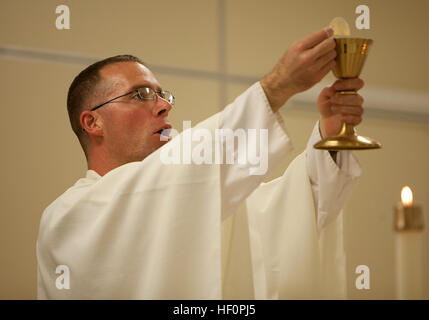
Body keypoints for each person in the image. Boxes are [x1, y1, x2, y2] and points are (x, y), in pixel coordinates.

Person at [37, 27, 363, 299]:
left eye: (163, 95)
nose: (164, 105)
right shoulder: (69, 217)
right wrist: (279, 85)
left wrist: (330, 138)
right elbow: (170, 179)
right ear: (93, 122)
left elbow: (293, 211)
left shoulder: (195, 197)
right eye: (140, 94)